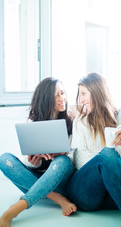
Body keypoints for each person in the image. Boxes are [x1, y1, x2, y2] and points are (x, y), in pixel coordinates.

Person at [67, 73, 121, 227]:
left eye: (83, 94)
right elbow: (80, 160)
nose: (81, 100)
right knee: (108, 155)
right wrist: (113, 166)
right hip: (87, 195)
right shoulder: (80, 122)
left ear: (97, 92)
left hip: (118, 196)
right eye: (79, 95)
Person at [0, 77, 77, 227]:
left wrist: (61, 154)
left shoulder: (72, 122)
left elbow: (76, 159)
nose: (62, 98)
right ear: (47, 98)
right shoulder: (33, 121)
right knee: (4, 159)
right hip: (36, 181)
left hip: (60, 178)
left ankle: (17, 208)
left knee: (63, 161)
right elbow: (26, 160)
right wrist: (33, 162)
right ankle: (57, 198)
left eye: (63, 93)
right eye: (57, 95)